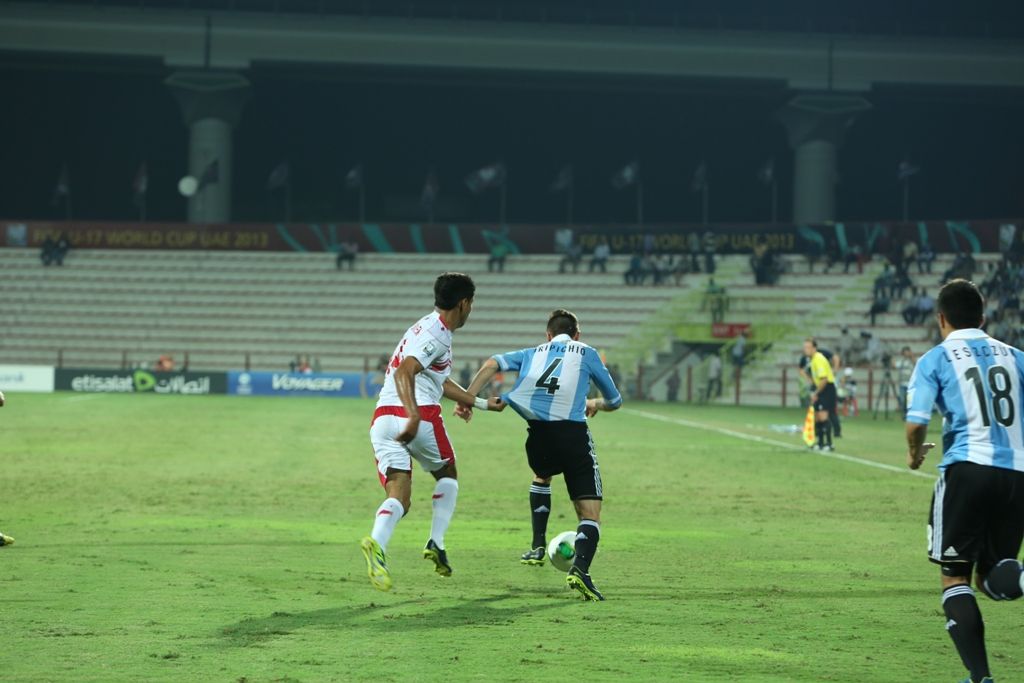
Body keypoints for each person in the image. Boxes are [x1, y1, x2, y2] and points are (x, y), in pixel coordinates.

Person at [904, 278, 1024, 683]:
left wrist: (914, 452)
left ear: (941, 319)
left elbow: (916, 421)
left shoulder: (935, 359)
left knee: (955, 577)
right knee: (991, 578)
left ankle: (981, 678)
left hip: (968, 469)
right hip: (1018, 475)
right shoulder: (1016, 356)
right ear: (984, 318)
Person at [359, 272, 504, 592]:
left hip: (383, 419)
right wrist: (412, 414)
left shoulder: (423, 326)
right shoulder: (437, 334)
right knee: (448, 473)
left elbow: (437, 381)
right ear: (464, 303)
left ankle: (377, 543)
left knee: (400, 497)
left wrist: (479, 403)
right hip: (417, 415)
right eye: (472, 304)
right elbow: (405, 370)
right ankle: (436, 542)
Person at [464, 309, 622, 601]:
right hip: (573, 435)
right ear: (577, 335)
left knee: (542, 475)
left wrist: (468, 400)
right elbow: (615, 400)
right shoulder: (586, 353)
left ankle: (537, 545)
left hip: (538, 436)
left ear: (548, 336)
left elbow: (491, 363)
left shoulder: (532, 352)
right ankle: (580, 570)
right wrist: (595, 403)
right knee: (590, 513)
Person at [803, 337, 836, 451]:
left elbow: (824, 379)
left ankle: (829, 444)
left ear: (814, 348)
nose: (806, 350)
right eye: (805, 347)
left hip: (827, 388)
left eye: (808, 347)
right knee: (817, 417)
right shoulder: (813, 360)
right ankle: (820, 443)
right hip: (821, 388)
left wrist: (815, 393)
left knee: (823, 417)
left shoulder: (819, 359)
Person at [894, 345, 915, 413]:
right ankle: (904, 413)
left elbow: (916, 363)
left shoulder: (913, 360)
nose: (906, 354)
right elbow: (894, 365)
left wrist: (911, 356)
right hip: (902, 383)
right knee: (903, 400)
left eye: (907, 352)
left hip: (911, 384)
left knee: (910, 400)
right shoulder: (902, 361)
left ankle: (910, 413)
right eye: (905, 352)